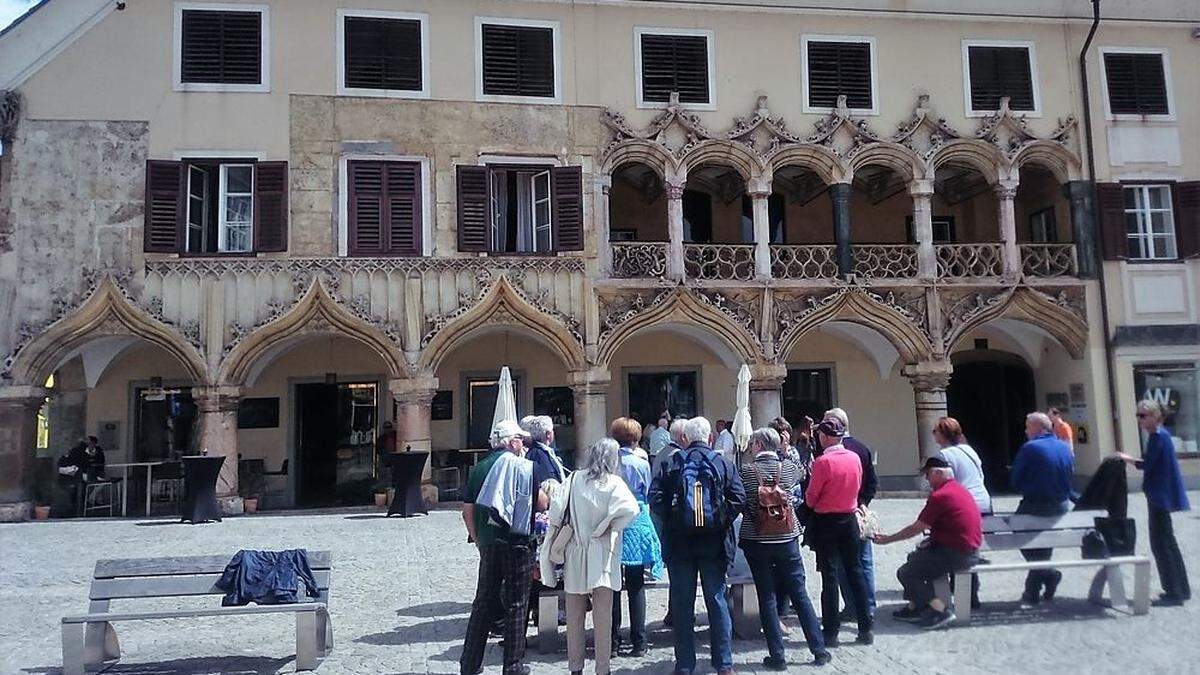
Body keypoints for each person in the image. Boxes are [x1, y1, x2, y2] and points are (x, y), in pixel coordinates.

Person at [649, 416, 746, 675]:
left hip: (679, 543)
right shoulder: (723, 463)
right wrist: (719, 520)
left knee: (682, 604)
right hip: (715, 543)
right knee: (717, 600)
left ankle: (684, 665)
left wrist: (674, 520)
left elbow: (655, 498)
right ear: (710, 438)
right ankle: (724, 664)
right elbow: (739, 498)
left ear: (685, 438)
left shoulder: (671, 462)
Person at [539, 438, 639, 675]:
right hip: (603, 554)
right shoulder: (614, 483)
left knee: (574, 616)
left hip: (575, 550)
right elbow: (631, 510)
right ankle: (603, 669)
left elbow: (555, 511)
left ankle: (576, 668)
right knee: (603, 617)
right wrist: (607, 525)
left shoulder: (574, 479)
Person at [460, 420, 549, 675]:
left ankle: (469, 663)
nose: (522, 444)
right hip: (518, 543)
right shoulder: (524, 467)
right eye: (520, 440)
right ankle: (513, 666)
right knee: (517, 604)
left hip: (489, 543)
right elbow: (542, 504)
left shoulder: (479, 469)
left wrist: (479, 541)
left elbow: (466, 512)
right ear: (512, 442)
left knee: (483, 602)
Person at [738, 427, 831, 669]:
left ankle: (777, 657)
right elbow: (803, 471)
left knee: (766, 596)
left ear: (757, 444)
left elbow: (740, 500)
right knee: (799, 593)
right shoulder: (788, 468)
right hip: (786, 537)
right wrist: (787, 449)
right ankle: (819, 650)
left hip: (756, 539)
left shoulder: (746, 471)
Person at [874, 457, 982, 630]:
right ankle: (916, 607)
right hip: (968, 550)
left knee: (906, 573)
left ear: (938, 473)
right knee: (915, 558)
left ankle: (940, 610)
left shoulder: (941, 495)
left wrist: (887, 539)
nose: (926, 479)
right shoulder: (960, 490)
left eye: (928, 474)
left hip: (956, 554)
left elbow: (917, 527)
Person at [804, 417, 872, 646]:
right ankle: (866, 627)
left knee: (830, 576)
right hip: (849, 519)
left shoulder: (823, 462)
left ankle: (831, 631)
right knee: (855, 571)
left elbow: (811, 497)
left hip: (827, 522)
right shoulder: (854, 458)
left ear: (824, 437)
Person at [1117, 400, 1191, 606]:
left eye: (1143, 416)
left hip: (1159, 496)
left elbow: (1147, 465)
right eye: (1138, 416)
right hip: (1161, 494)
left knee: (1161, 544)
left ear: (1155, 416)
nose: (1140, 420)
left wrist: (1127, 459)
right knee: (1168, 542)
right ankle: (1181, 589)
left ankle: (1174, 592)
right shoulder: (1161, 435)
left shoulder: (1158, 437)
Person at [609, 417, 663, 657]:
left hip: (612, 520)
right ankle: (639, 641)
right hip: (637, 519)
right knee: (636, 584)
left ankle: (612, 641)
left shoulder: (609, 462)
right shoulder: (641, 463)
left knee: (611, 584)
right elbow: (648, 492)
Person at [1009, 411, 1075, 607]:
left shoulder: (1030, 448)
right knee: (1044, 544)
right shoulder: (1065, 448)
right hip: (1062, 508)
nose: (1025, 430)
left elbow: (1016, 481)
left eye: (1028, 426)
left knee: (1016, 532)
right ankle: (1033, 590)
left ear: (1037, 428)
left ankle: (1047, 576)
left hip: (1036, 505)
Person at [823, 408, 877, 622]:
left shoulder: (831, 452)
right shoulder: (862, 448)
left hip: (839, 514)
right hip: (858, 511)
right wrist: (862, 503)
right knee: (864, 562)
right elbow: (872, 483)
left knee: (844, 566)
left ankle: (853, 606)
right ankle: (868, 605)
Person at [933, 416, 990, 609]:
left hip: (966, 506)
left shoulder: (945, 456)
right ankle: (971, 593)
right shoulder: (969, 450)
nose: (933, 435)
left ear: (943, 434)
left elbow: (946, 486)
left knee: (954, 547)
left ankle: (963, 596)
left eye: (935, 431)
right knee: (969, 550)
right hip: (984, 502)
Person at [57, 436, 107, 516]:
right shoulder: (79, 452)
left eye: (90, 443)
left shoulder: (98, 451)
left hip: (90, 473)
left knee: (100, 482)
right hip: (79, 474)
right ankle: (78, 506)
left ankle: (88, 502)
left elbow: (100, 463)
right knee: (77, 489)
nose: (89, 445)